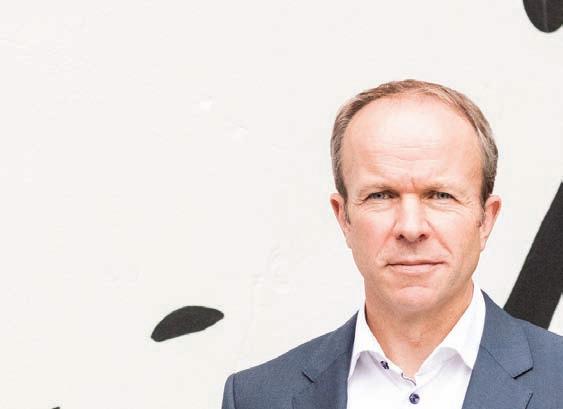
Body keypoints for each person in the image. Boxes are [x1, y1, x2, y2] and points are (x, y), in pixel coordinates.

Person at [221, 80, 563, 409]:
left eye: (440, 195)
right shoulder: (257, 398)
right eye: (381, 195)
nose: (411, 228)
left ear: (486, 219)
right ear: (343, 217)